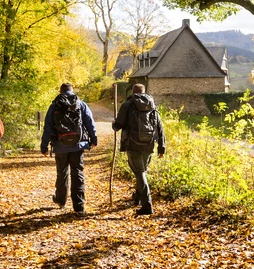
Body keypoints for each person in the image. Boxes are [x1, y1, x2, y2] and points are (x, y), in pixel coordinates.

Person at [41, 83, 98, 215]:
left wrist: (44, 147)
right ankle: (79, 206)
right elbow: (90, 122)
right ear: (72, 91)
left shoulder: (54, 106)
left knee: (62, 172)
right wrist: (93, 140)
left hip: (60, 145)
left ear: (60, 91)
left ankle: (61, 200)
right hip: (78, 144)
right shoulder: (81, 104)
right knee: (77, 172)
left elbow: (48, 127)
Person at [112, 83, 165, 216]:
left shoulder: (127, 105)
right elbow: (160, 126)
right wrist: (161, 147)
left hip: (133, 144)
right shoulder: (152, 104)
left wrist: (114, 124)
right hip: (149, 144)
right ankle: (137, 197)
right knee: (142, 171)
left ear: (133, 92)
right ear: (144, 92)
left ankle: (147, 205)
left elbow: (118, 126)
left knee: (140, 173)